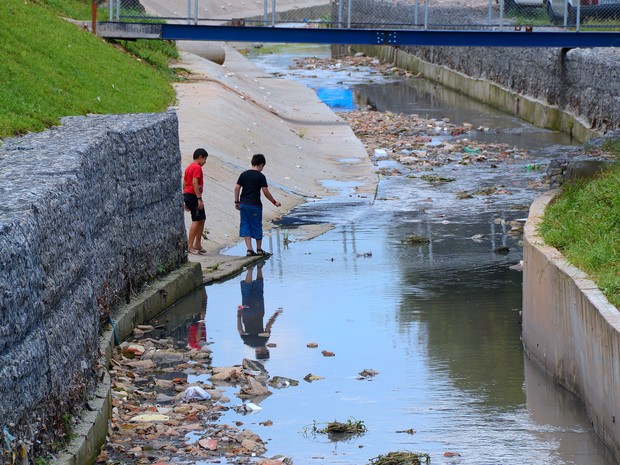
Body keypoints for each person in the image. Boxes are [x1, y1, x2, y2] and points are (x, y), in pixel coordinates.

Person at [234, 153, 281, 257]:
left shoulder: (244, 174)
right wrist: (274, 202)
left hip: (244, 204)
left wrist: (236, 202)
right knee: (256, 225)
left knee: (245, 225)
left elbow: (237, 188)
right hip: (255, 205)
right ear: (261, 164)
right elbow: (265, 192)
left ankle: (249, 250)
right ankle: (259, 249)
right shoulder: (261, 176)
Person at [237, 263, 282, 359]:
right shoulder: (248, 342)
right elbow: (240, 330)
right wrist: (238, 315)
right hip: (247, 314)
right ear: (256, 353)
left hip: (258, 311)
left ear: (265, 351)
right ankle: (250, 270)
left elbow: (268, 325)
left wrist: (276, 314)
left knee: (259, 289)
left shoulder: (264, 339)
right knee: (246, 293)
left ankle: (259, 268)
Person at [183, 148, 209, 255]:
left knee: (202, 218)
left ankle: (197, 243)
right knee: (196, 219)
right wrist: (199, 199)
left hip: (188, 195)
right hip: (194, 196)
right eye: (205, 159)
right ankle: (190, 246)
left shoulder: (189, 167)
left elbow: (184, 183)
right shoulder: (197, 168)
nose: (205, 162)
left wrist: (185, 199)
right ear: (200, 157)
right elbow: (195, 183)